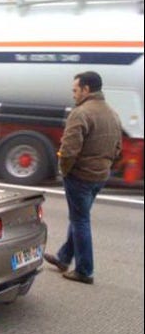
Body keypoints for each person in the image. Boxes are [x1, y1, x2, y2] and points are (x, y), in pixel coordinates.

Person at [44, 71, 122, 284]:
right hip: (100, 176)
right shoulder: (112, 113)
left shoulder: (81, 113)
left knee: (80, 221)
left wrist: (66, 171)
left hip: (80, 176)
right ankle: (63, 258)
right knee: (80, 217)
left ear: (86, 89)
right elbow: (118, 148)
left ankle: (85, 270)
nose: (74, 95)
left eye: (75, 90)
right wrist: (104, 166)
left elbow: (68, 150)